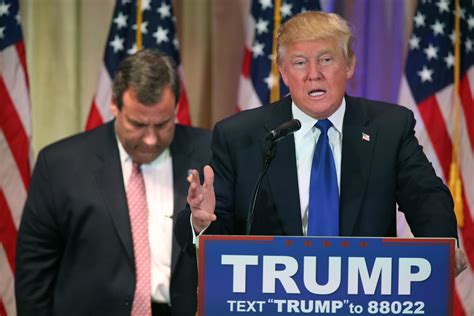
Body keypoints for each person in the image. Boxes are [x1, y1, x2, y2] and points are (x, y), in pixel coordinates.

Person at [176, 11, 466, 276]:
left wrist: (442, 247)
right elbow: (218, 229)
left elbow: (426, 197)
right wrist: (201, 222)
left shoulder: (388, 127)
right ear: (284, 72)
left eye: (326, 59)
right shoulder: (241, 135)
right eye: (300, 63)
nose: (314, 74)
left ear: (349, 65)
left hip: (364, 295)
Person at [15, 49, 211, 316]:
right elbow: (34, 273)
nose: (151, 139)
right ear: (115, 106)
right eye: (138, 124)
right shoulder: (60, 165)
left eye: (163, 124)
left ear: (176, 108)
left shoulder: (209, 155)